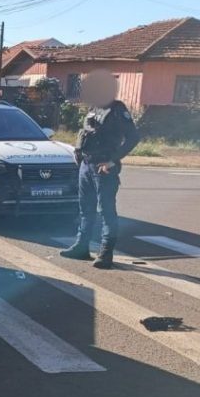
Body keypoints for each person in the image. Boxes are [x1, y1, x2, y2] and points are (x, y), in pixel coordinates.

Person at [59, 70, 140, 269]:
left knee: (106, 212)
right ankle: (82, 247)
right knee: (85, 209)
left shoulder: (118, 109)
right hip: (86, 165)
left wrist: (113, 160)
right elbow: (87, 133)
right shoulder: (94, 107)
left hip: (104, 167)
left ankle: (105, 253)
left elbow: (133, 138)